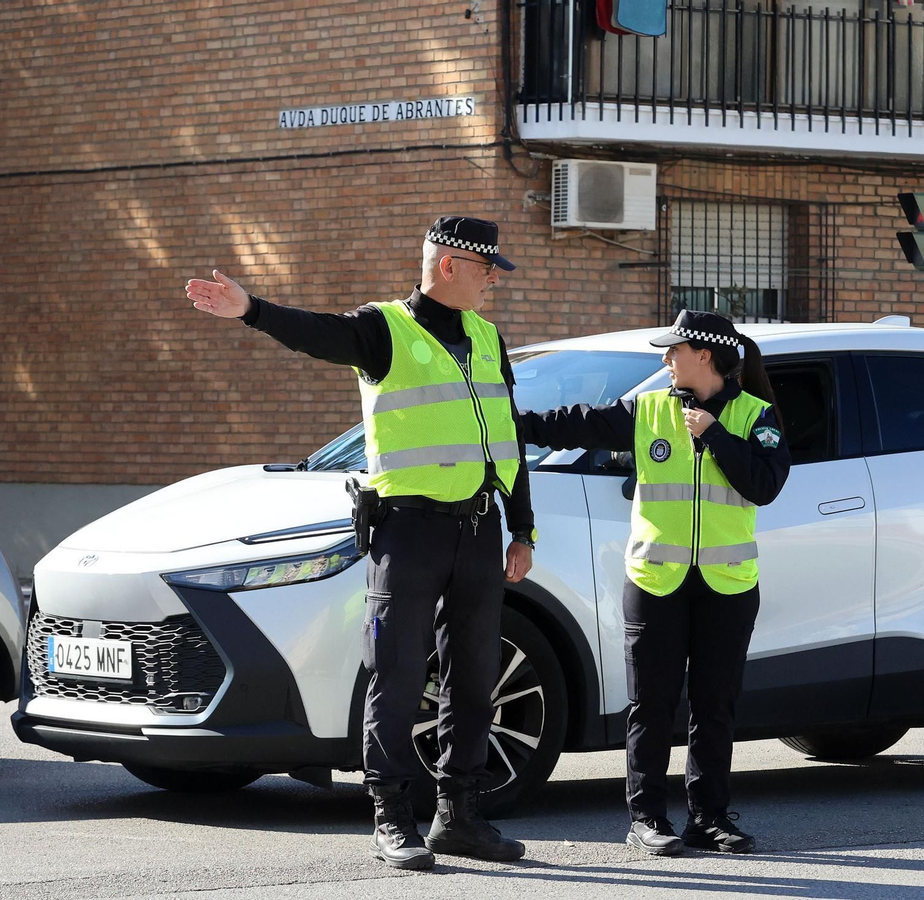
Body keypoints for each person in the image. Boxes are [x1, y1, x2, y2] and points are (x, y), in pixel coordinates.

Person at [185, 216, 536, 871]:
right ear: (450, 265)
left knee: (474, 679)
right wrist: (252, 311)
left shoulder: (489, 338)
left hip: (480, 531)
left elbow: (507, 434)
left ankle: (460, 818)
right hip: (409, 531)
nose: (495, 279)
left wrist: (522, 525)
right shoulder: (385, 329)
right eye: (487, 267)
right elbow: (318, 333)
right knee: (398, 673)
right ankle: (392, 816)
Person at [517, 309, 789, 856]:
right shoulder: (648, 409)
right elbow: (577, 423)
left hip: (727, 583)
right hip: (656, 580)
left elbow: (765, 484)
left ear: (704, 356)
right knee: (652, 702)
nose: (665, 359)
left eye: (674, 351)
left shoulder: (757, 417)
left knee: (715, 704)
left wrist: (714, 436)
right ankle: (647, 818)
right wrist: (511, 420)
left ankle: (709, 819)